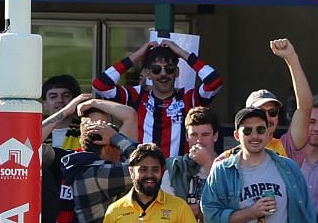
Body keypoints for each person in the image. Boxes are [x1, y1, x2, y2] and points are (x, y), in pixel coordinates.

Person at [92, 36, 223, 156]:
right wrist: (138, 54)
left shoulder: (188, 97)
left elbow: (214, 82)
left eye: (169, 69)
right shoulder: (137, 95)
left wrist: (181, 53)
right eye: (156, 70)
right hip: (142, 172)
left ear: (177, 72)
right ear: (148, 74)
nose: (163, 74)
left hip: (177, 176)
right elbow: (101, 84)